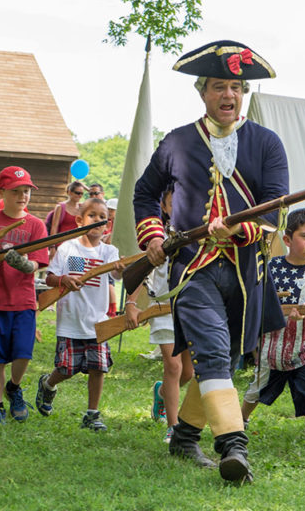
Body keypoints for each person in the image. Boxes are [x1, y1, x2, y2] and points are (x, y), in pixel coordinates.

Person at [133, 40, 288, 483]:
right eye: (219, 86)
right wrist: (154, 235)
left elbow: (275, 209)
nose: (228, 95)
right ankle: (233, 448)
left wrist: (241, 229)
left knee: (232, 358)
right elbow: (145, 195)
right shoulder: (177, 142)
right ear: (203, 92)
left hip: (245, 272)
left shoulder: (266, 143)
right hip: (194, 269)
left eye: (236, 87)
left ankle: (184, 437)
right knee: (215, 354)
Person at [240, 209, 305, 454]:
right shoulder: (272, 267)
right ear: (287, 239)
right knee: (255, 391)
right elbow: (259, 303)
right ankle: (239, 424)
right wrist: (283, 311)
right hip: (274, 346)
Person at [35, 198, 123, 431]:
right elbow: (50, 278)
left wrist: (121, 269)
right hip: (71, 319)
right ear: (79, 220)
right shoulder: (68, 248)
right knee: (67, 368)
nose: (97, 220)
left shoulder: (109, 251)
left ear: (108, 224)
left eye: (101, 216)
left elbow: (117, 276)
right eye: (91, 215)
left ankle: (92, 414)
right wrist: (64, 279)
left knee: (98, 367)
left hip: (98, 320)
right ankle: (48, 384)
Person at [0, 166, 49, 425]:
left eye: (26, 191)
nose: (22, 196)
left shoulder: (37, 225)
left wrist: (26, 265)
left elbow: (38, 263)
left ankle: (14, 387)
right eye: (16, 191)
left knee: (23, 353)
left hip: (24, 299)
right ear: (1, 192)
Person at [125, 186, 194, 443]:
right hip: (162, 307)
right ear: (164, 207)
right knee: (173, 366)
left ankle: (162, 393)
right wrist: (131, 304)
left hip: (189, 309)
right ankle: (174, 427)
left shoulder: (199, 235)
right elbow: (140, 272)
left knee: (187, 373)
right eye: (174, 201)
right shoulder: (156, 237)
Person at [47, 181, 85, 260]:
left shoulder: (82, 208)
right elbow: (54, 228)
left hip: (76, 248)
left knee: (76, 271)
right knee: (58, 271)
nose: (80, 196)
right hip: (61, 246)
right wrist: (52, 247)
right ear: (69, 192)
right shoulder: (60, 207)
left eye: (82, 193)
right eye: (77, 193)